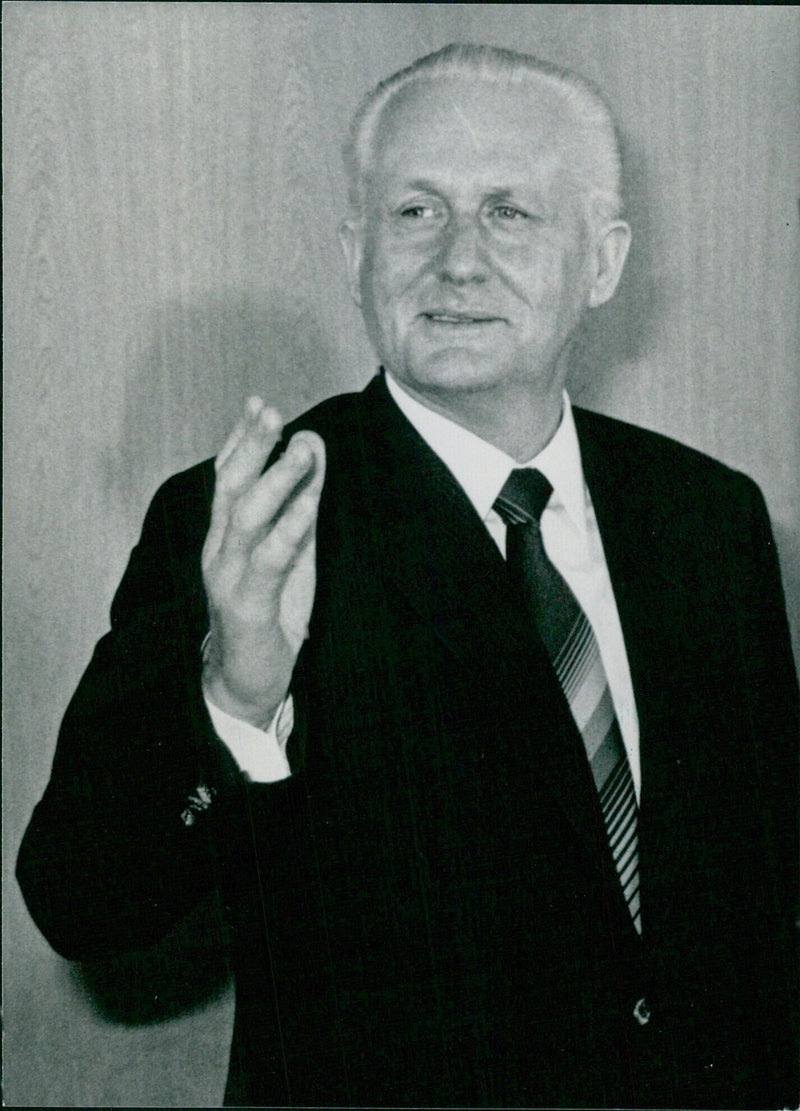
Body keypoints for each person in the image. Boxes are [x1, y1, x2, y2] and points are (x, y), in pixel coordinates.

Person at [17, 44, 798, 1109]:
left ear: (602, 263)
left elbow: (764, 897)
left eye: (509, 214)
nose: (458, 262)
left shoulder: (707, 517)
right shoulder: (252, 513)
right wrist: (234, 696)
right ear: (354, 254)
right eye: (415, 214)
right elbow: (85, 902)